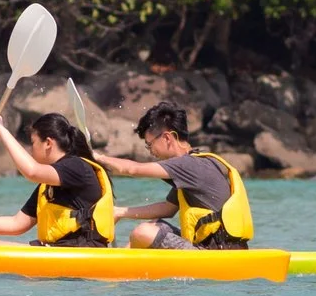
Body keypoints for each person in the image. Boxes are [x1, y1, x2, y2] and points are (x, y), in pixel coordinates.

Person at [96, 101, 255, 249]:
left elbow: (132, 170)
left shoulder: (188, 165)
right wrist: (120, 212)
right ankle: (122, 269)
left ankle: (123, 269)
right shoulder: (196, 163)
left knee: (143, 232)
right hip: (215, 247)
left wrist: (98, 158)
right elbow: (168, 209)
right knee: (154, 225)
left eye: (150, 145)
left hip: (219, 253)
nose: (151, 151)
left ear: (167, 137)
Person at [0, 112, 111, 247]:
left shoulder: (77, 167)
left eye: (33, 142)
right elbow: (16, 224)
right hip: (57, 249)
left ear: (48, 143)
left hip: (82, 251)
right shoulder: (49, 184)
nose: (31, 149)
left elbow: (32, 171)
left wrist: (2, 131)